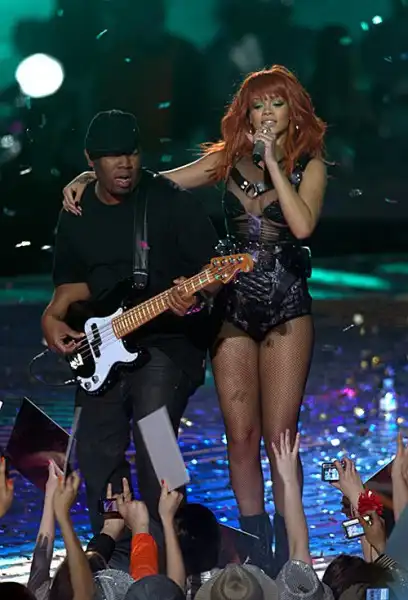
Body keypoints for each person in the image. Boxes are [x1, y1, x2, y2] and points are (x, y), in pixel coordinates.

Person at [62, 66, 327, 575]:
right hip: (224, 311)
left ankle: (288, 548)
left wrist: (274, 162)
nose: (266, 114)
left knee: (268, 436)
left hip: (277, 308)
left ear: (293, 112)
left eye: (275, 104)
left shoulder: (310, 165)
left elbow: (301, 225)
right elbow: (153, 185)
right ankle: (230, 550)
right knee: (235, 436)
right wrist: (90, 176)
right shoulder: (224, 162)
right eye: (256, 106)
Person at [42, 109, 219, 566]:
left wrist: (194, 297)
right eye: (112, 155)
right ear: (91, 160)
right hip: (105, 342)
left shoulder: (170, 202)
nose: (124, 164)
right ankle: (118, 554)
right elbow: (72, 286)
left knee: (156, 433)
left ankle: (173, 547)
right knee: (95, 447)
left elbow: (214, 274)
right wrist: (52, 316)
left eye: (132, 153)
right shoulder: (77, 211)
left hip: (167, 343)